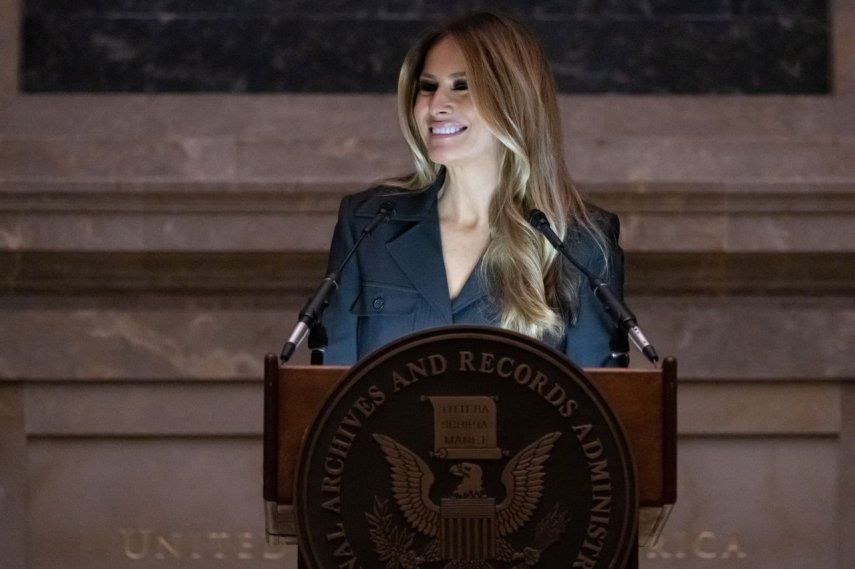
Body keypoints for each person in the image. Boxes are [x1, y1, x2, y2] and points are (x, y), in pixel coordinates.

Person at [320, 12, 628, 367]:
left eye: (461, 86)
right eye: (428, 86)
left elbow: (598, 410)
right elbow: (331, 391)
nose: (436, 106)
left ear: (514, 99)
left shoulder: (581, 243)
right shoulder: (368, 223)